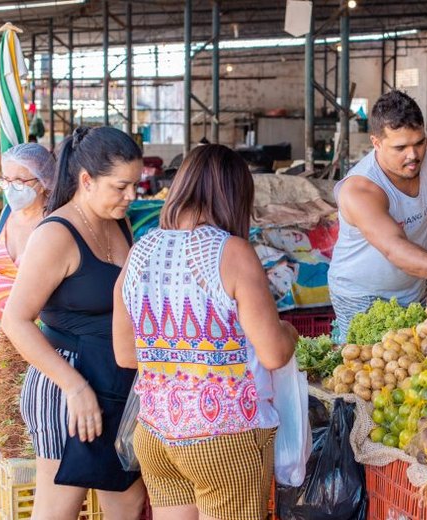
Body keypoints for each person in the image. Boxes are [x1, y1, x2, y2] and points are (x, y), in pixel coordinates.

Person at [113, 144, 297, 520]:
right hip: (224, 435)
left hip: (156, 432)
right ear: (235, 195)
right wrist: (289, 331)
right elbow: (274, 353)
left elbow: (126, 355)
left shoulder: (140, 250)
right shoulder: (232, 252)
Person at [2, 126, 145, 519]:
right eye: (121, 186)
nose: (131, 196)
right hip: (66, 388)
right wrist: (74, 386)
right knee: (59, 508)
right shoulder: (56, 234)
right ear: (86, 180)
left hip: (113, 384)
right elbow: (15, 320)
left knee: (128, 502)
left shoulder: (118, 222)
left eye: (136, 185)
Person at [328, 90, 427, 341]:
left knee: (416, 361)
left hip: (414, 286)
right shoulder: (361, 190)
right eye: (400, 147)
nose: (414, 155)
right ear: (376, 143)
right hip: (361, 295)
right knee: (366, 371)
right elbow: (394, 248)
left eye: (419, 142)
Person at [0, 143, 56, 359]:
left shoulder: (55, 224)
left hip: (41, 340)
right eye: (6, 180)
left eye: (20, 181)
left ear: (43, 182)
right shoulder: (7, 215)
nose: (11, 188)